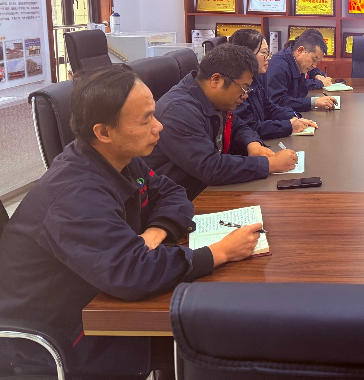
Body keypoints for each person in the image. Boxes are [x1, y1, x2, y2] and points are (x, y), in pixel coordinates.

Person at [0, 66, 262, 379]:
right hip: (65, 337)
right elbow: (134, 273)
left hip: (100, 297)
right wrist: (220, 252)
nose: (158, 126)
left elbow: (173, 193)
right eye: (146, 119)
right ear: (104, 132)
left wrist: (155, 231)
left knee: (217, 331)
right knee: (218, 337)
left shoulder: (117, 159)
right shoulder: (75, 195)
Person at [145, 43, 298, 200]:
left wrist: (252, 144)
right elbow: (211, 168)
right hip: (183, 200)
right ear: (216, 80)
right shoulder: (178, 111)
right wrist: (270, 165)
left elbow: (237, 125)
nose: (245, 95)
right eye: (243, 88)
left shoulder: (212, 99)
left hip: (206, 189)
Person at [229, 29, 317, 139]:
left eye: (268, 53)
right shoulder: (234, 87)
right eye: (264, 53)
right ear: (246, 55)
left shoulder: (254, 79)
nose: (269, 57)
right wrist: (288, 126)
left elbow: (269, 108)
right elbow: (249, 128)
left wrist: (293, 116)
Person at [266, 30, 337, 111]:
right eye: (314, 60)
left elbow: (298, 93)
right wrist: (314, 102)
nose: (314, 66)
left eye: (317, 62)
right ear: (300, 51)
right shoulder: (279, 66)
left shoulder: (298, 64)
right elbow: (278, 102)